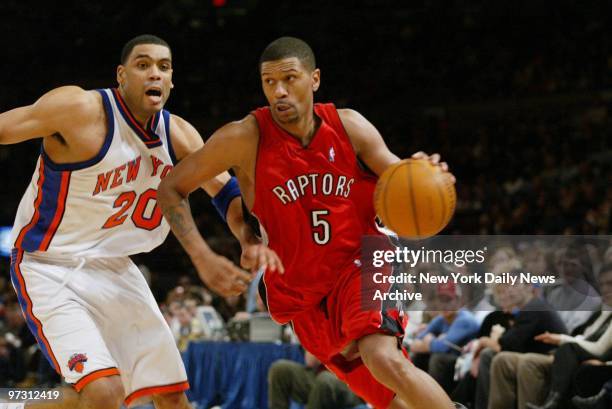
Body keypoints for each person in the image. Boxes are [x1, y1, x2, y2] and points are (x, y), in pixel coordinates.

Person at [159, 36, 457, 409]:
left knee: (383, 358)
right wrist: (207, 255)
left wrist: (425, 173)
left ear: (314, 79)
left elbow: (401, 177)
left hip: (361, 260)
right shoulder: (244, 138)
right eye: (269, 82)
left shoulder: (349, 127)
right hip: (301, 292)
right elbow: (170, 188)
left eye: (290, 79)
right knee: (382, 396)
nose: (279, 92)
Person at [0, 34, 276, 409]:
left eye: (164, 67)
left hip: (116, 269)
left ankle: (12, 401)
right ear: (121, 75)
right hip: (49, 264)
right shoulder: (78, 109)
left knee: (172, 395)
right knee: (105, 392)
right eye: (143, 65)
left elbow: (226, 195)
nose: (155, 75)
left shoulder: (178, 135)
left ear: (172, 80)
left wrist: (248, 240)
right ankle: (12, 402)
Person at [268, 351, 364, 409]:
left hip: (351, 384)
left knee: (325, 379)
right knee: (280, 369)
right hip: (319, 377)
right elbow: (311, 362)